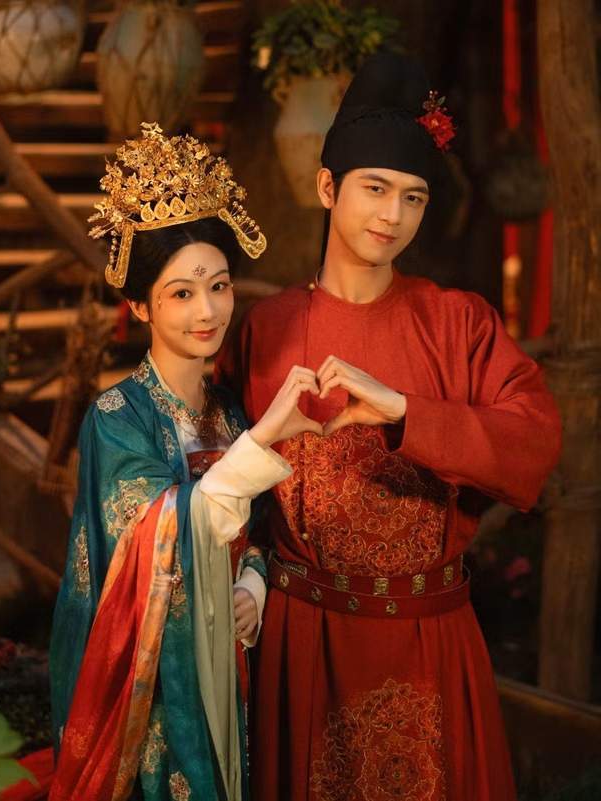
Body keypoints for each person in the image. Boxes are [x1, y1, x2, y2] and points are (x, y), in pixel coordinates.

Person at [215, 52, 562, 801]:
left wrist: (407, 410)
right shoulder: (267, 328)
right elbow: (218, 476)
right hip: (302, 637)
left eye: (413, 197)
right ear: (327, 187)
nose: (392, 216)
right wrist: (248, 577)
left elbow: (534, 440)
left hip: (429, 640)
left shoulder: (458, 322)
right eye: (374, 188)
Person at [49, 123, 321, 801]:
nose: (208, 311)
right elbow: (153, 536)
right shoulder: (117, 418)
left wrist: (251, 586)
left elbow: (256, 528)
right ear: (137, 304)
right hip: (153, 691)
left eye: (220, 286)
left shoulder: (228, 410)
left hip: (230, 668)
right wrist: (266, 439)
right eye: (180, 293)